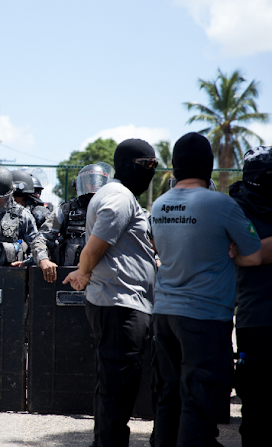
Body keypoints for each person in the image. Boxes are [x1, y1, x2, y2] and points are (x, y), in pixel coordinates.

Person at [148, 132, 263, 445]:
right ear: (209, 165)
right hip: (205, 316)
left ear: (175, 166)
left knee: (168, 396)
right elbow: (252, 255)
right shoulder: (220, 204)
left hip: (164, 313)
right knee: (198, 401)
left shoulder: (159, 205)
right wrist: (229, 247)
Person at [63, 139, 158, 447]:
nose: (152, 172)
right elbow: (94, 247)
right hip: (119, 305)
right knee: (118, 386)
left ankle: (104, 442)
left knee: (114, 383)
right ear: (130, 165)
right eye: (149, 166)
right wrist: (82, 271)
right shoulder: (119, 197)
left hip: (120, 303)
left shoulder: (120, 196)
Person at [229, 145, 272, 446]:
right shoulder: (235, 207)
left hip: (253, 318)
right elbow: (240, 254)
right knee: (256, 410)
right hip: (255, 320)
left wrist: (252, 253)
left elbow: (250, 254)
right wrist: (254, 254)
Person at [41, 163, 112, 266]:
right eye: (91, 182)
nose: (95, 186)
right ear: (81, 184)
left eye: (98, 182)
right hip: (70, 273)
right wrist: (43, 259)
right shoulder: (66, 210)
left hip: (103, 274)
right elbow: (42, 237)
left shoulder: (111, 210)